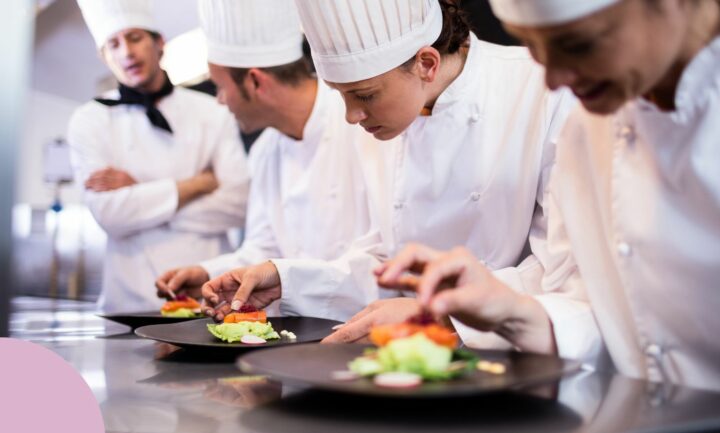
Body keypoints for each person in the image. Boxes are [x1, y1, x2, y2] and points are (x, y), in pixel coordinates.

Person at [378, 0, 720, 398]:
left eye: (578, 45)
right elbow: (611, 318)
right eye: (534, 48)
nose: (553, 81)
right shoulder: (588, 128)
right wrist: (512, 311)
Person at [201, 0, 576, 338]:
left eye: (364, 95)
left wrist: (439, 313)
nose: (351, 116)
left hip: (518, 358)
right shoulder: (387, 121)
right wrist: (289, 279)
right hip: (415, 358)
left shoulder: (543, 91)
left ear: (426, 63)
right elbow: (389, 264)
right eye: (341, 95)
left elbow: (559, 274)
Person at [155, 0, 382, 321]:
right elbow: (262, 249)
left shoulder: (365, 122)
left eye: (220, 88)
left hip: (368, 327)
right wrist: (206, 272)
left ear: (255, 81)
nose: (220, 102)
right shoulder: (264, 150)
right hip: (293, 333)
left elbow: (383, 253)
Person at [69, 0, 249, 312]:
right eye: (114, 44)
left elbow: (238, 204)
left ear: (159, 43)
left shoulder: (212, 111)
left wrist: (139, 193)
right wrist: (195, 185)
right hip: (127, 303)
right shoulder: (89, 119)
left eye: (135, 38)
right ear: (104, 57)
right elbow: (109, 215)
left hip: (208, 297)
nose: (126, 52)